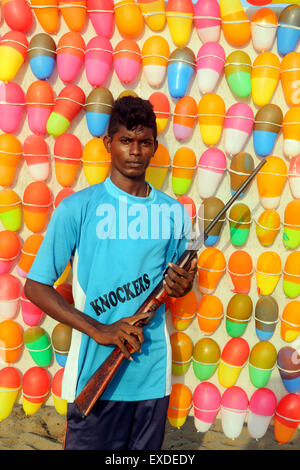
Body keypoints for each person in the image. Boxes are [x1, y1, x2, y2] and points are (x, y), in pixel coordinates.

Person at [24, 96, 198, 451]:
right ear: (108, 143)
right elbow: (35, 286)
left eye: (144, 142)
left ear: (154, 147)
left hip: (151, 379)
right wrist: (99, 330)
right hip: (93, 374)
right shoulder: (77, 208)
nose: (135, 151)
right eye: (125, 140)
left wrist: (183, 286)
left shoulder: (175, 213)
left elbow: (178, 281)